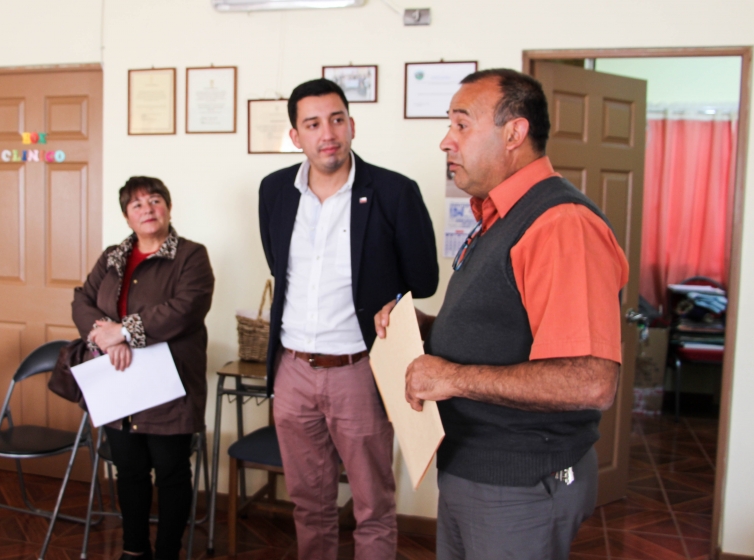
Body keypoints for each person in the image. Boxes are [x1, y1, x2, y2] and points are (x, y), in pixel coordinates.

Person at [375, 69, 629, 560]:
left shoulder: (561, 225)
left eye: (462, 124)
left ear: (514, 133)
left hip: (520, 485)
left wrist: (452, 377)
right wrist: (421, 329)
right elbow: (505, 330)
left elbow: (590, 382)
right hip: (475, 470)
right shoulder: (499, 216)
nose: (446, 141)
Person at [258, 78, 439, 559]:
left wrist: (393, 301)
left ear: (352, 125)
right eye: (313, 124)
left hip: (359, 370)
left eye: (337, 119)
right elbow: (279, 266)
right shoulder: (275, 191)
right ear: (295, 136)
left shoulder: (394, 191)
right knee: (308, 504)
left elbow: (424, 278)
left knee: (372, 505)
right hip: (293, 370)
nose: (328, 133)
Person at [72, 176, 214, 560]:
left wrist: (124, 331)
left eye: (155, 200)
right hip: (118, 382)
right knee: (129, 470)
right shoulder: (112, 256)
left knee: (170, 471)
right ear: (126, 216)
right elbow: (83, 301)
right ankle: (134, 549)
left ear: (168, 207)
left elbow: (185, 309)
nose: (147, 209)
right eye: (137, 204)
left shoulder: (191, 256)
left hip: (169, 385)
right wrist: (106, 337)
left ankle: (167, 553)